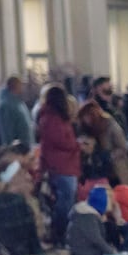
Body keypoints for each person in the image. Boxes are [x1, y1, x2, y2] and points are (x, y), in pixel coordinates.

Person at [37, 83, 80, 245]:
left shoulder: (56, 117)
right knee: (65, 200)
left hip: (66, 165)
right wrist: (76, 145)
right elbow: (61, 141)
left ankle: (63, 233)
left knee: (67, 200)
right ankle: (59, 232)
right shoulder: (51, 118)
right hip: (61, 166)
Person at [67, 186, 128, 255]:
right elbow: (96, 238)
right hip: (87, 253)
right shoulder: (87, 216)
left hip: (90, 249)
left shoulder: (89, 212)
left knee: (117, 226)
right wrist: (111, 251)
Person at [78, 99, 128, 186]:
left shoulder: (109, 124)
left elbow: (123, 147)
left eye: (87, 116)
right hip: (99, 174)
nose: (86, 120)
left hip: (116, 170)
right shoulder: (86, 130)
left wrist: (108, 156)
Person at [0, 75, 35, 148]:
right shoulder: (6, 104)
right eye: (21, 85)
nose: (23, 87)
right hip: (17, 150)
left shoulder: (18, 102)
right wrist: (10, 147)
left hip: (25, 148)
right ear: (16, 85)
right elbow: (6, 129)